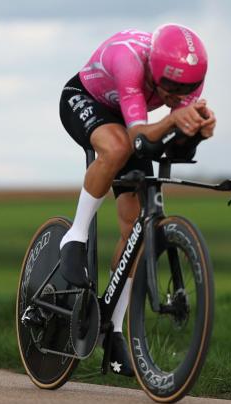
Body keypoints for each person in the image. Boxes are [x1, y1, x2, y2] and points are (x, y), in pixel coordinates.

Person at [58, 24, 216, 376]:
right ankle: (76, 234)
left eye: (186, 90)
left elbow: (171, 142)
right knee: (116, 147)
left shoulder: (187, 78)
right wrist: (175, 119)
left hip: (133, 121)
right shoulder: (129, 61)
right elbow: (135, 136)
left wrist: (196, 131)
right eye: (171, 88)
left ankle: (113, 329)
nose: (178, 96)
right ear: (155, 72)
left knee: (135, 230)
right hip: (86, 100)